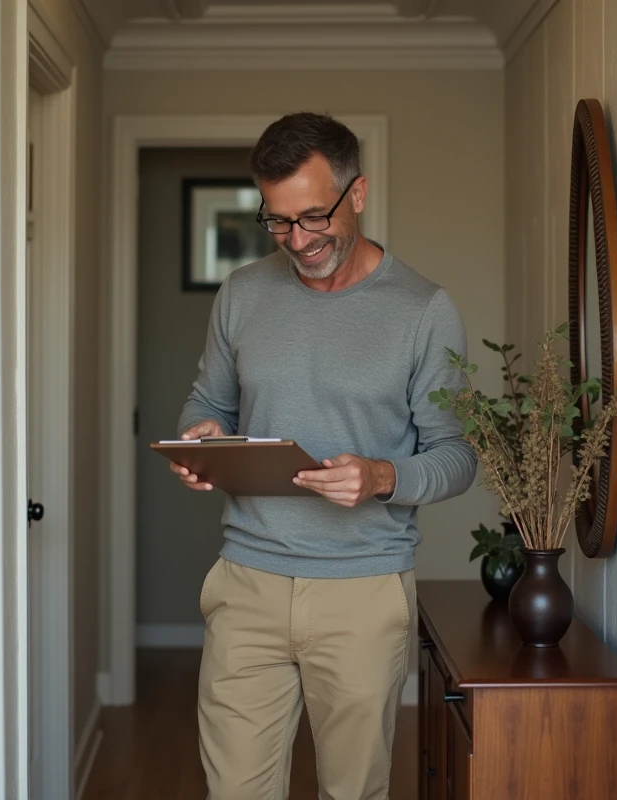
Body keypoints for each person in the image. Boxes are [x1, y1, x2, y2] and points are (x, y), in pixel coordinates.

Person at [170, 111, 477, 799]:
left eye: (313, 217)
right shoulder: (244, 294)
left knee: (353, 793)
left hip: (363, 593)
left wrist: (382, 477)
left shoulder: (423, 309)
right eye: (278, 222)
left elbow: (456, 456)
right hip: (247, 583)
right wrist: (201, 441)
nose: (298, 241)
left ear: (357, 194)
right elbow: (206, 405)